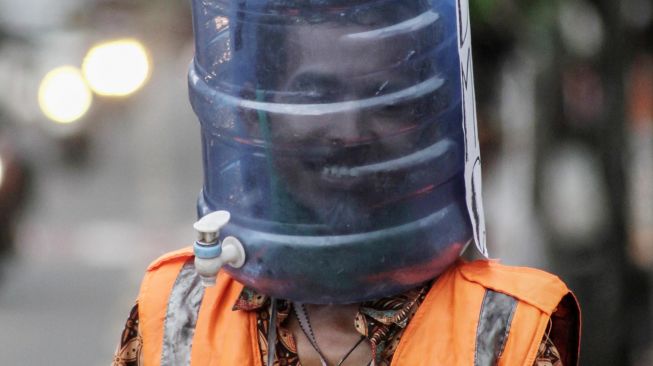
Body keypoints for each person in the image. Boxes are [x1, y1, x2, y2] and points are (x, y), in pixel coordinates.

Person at [113, 0, 580, 365]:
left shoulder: (506, 333)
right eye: (315, 98)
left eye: (384, 100)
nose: (349, 132)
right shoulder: (175, 315)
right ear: (257, 117)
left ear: (426, 121)